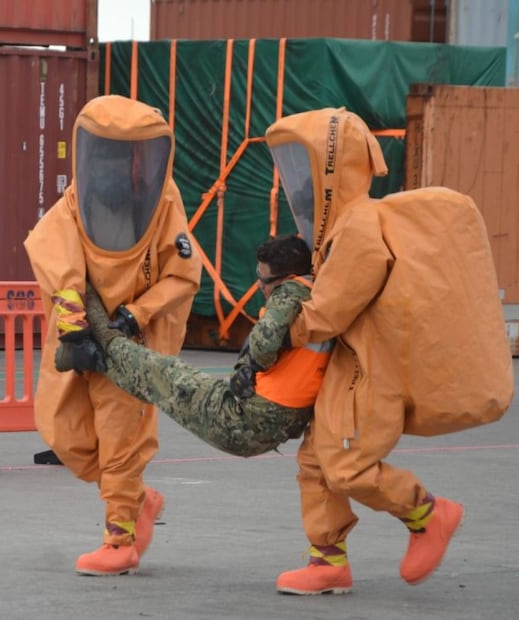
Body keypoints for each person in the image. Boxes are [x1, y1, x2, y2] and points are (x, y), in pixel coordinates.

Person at [264, 107, 514, 595]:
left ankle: (427, 514)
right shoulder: (342, 227)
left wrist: (276, 331)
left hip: (369, 373)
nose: (300, 186)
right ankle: (327, 561)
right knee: (316, 460)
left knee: (346, 464)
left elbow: (328, 311)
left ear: (332, 167)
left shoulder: (358, 227)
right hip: (348, 367)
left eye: (306, 168)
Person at [24, 95, 202, 577]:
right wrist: (74, 328)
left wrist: (135, 315)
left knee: (121, 439)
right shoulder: (74, 204)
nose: (112, 166)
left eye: (123, 155)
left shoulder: (163, 203)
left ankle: (119, 539)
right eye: (104, 153)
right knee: (66, 434)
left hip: (131, 346)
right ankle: (138, 499)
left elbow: (183, 274)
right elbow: (56, 261)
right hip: (82, 339)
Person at [82, 234, 332, 458]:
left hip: (248, 419)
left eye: (264, 279)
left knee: (164, 373)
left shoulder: (290, 292)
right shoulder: (321, 296)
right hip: (280, 422)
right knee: (156, 384)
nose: (259, 286)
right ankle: (98, 358)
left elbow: (262, 347)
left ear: (287, 278)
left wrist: (251, 364)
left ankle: (93, 308)